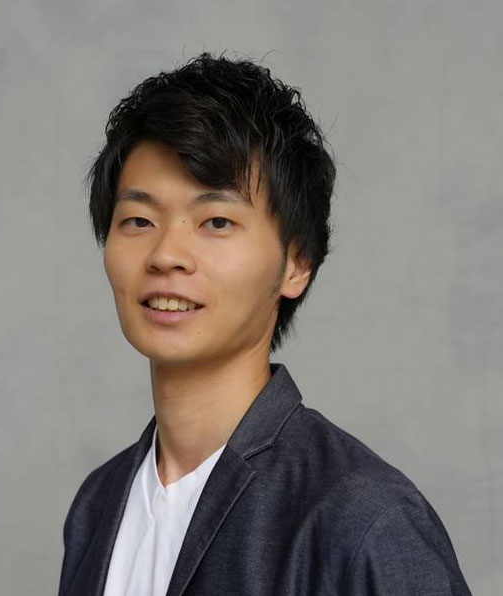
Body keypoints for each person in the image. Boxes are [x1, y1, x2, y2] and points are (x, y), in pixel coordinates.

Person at [57, 51, 472, 596]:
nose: (166, 255)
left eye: (216, 221)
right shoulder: (98, 506)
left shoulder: (364, 520)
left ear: (296, 263)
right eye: (138, 220)